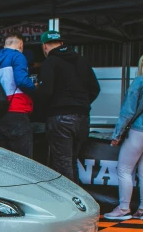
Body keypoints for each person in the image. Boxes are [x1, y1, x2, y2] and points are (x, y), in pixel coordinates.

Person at [38, 30, 100, 182]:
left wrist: (43, 111)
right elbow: (95, 89)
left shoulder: (49, 63)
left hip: (60, 117)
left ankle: (70, 203)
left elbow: (45, 92)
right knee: (72, 161)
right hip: (82, 117)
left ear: (44, 46)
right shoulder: (82, 61)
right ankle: (79, 199)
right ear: (61, 43)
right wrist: (81, 104)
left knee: (62, 163)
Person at [104, 51, 143, 220]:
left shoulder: (140, 82)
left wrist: (117, 134)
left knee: (125, 169)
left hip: (139, 132)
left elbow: (127, 111)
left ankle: (124, 209)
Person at [0, 32, 35, 158]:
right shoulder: (18, 56)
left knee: (5, 161)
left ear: (4, 45)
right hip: (17, 112)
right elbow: (22, 81)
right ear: (21, 45)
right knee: (24, 161)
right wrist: (36, 90)